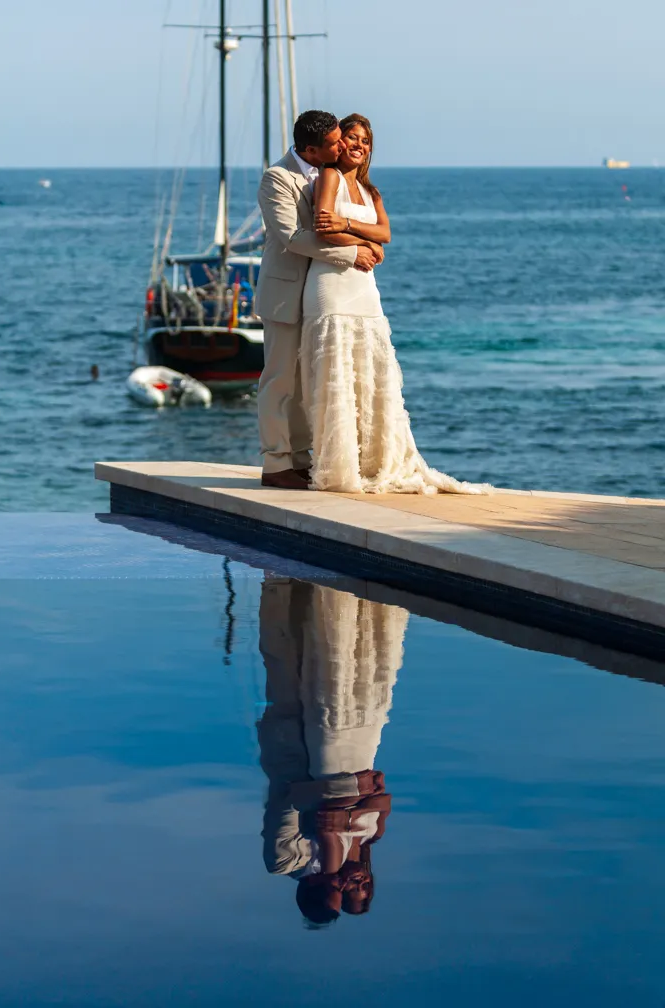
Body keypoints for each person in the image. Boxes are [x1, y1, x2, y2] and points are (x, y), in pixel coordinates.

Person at [300, 113, 491, 494]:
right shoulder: (329, 177)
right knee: (337, 374)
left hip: (365, 289)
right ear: (339, 144)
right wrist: (362, 244)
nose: (358, 145)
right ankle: (340, 466)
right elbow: (323, 226)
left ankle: (372, 462)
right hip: (331, 287)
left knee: (370, 372)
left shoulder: (373, 193)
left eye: (365, 140)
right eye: (351, 138)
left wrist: (351, 228)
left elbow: (385, 233)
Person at [257, 576, 405, 926]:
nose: (345, 886)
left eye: (337, 893)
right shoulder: (364, 847)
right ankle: (346, 589)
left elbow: (288, 800)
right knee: (329, 672)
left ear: (314, 892)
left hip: (293, 747)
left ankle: (284, 583)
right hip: (338, 750)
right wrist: (350, 805)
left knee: (286, 658)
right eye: (352, 892)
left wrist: (352, 793)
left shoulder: (285, 862)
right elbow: (379, 797)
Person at [256, 111, 379, 490]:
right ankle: (276, 464)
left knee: (309, 381)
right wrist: (354, 251)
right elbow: (293, 237)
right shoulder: (277, 178)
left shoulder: (334, 172)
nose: (344, 146)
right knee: (280, 381)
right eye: (335, 143)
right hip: (285, 293)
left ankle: (302, 459)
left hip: (321, 294)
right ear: (310, 149)